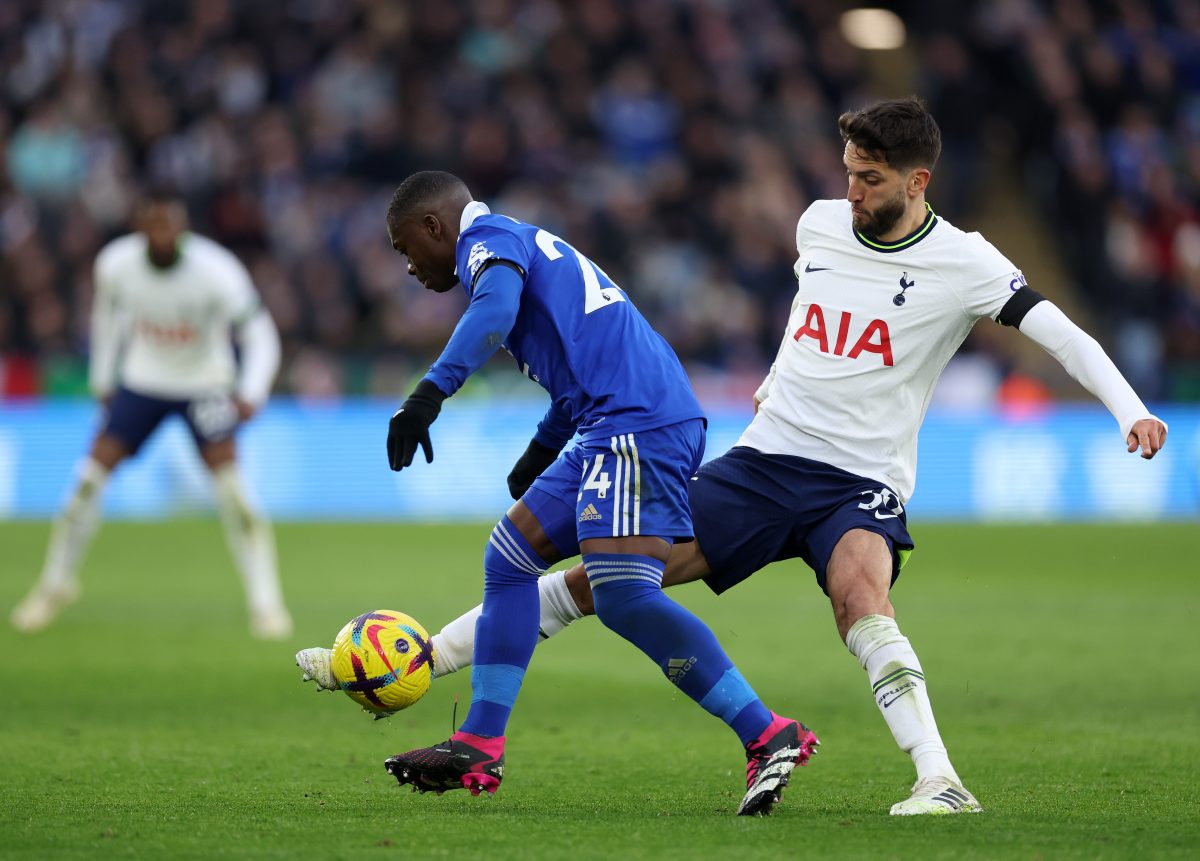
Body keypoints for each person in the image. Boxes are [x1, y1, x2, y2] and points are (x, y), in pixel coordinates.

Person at [299, 99, 1167, 815]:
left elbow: (1057, 332)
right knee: (572, 572)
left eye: (870, 178)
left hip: (848, 475)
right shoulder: (820, 226)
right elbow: (788, 329)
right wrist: (549, 443)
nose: (853, 191)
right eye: (849, 173)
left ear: (917, 181)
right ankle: (443, 696)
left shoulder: (966, 261)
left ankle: (932, 776)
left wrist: (1130, 408)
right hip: (761, 457)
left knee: (848, 598)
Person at [306, 170, 818, 816]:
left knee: (624, 594)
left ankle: (768, 733)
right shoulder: (519, 242)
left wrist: (429, 391)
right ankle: (480, 741)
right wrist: (541, 450)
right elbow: (578, 364)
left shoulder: (487, 242)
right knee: (510, 555)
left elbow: (491, 314)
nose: (409, 267)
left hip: (638, 422)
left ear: (436, 228)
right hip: (613, 420)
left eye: (407, 249)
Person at [10, 189, 293, 640]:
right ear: (141, 226)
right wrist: (103, 379)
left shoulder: (217, 271)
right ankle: (56, 584)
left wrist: (252, 390)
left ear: (182, 228)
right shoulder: (116, 265)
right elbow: (106, 318)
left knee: (235, 495)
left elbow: (261, 334)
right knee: (85, 482)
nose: (162, 234)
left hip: (204, 383)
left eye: (170, 225)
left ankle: (266, 604)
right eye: (153, 225)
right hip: (142, 381)